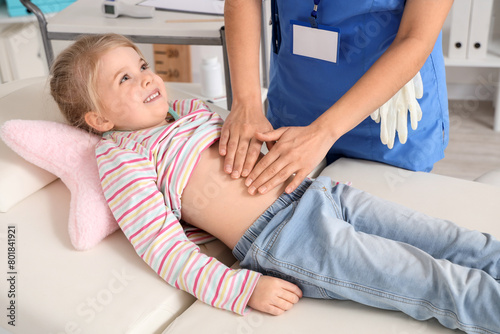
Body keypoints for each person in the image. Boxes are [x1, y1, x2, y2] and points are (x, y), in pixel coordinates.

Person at [49, 34, 500, 334]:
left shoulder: (186, 110)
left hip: (322, 193)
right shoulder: (123, 157)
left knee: (452, 240)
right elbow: (165, 251)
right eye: (124, 78)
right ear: (100, 119)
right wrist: (241, 289)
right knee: (431, 281)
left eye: (142, 64)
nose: (148, 76)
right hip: (288, 239)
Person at [222, 0, 453, 196]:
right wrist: (246, 103)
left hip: (383, 115)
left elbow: (416, 38)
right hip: (294, 102)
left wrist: (323, 131)